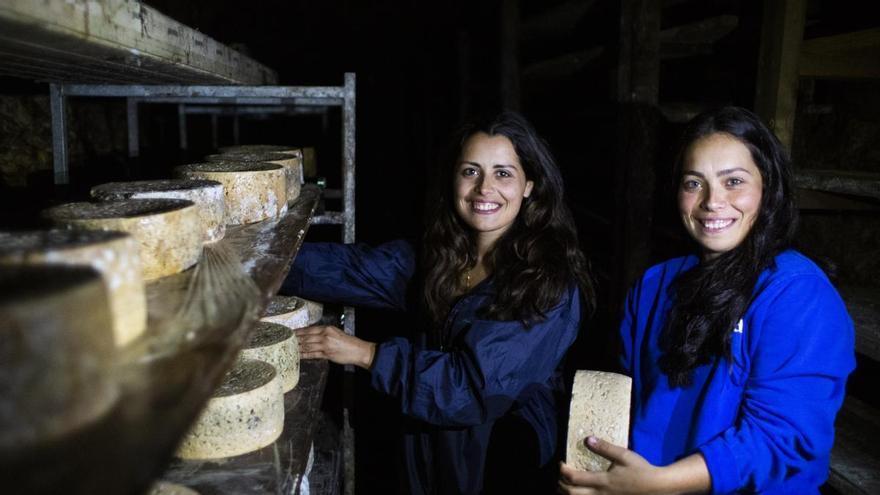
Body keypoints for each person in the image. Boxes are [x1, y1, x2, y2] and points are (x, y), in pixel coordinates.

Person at [283, 111, 595, 494]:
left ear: (529, 184)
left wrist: (368, 354)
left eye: (503, 174)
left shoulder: (549, 283)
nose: (484, 188)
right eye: (470, 171)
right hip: (431, 450)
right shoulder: (444, 257)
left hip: (498, 459)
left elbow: (471, 389)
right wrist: (259, 261)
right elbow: (354, 269)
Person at [559, 106, 855, 494]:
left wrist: (661, 483)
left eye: (733, 181)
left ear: (768, 187)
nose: (712, 201)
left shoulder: (796, 294)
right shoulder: (653, 286)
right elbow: (632, 404)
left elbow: (781, 437)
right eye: (694, 183)